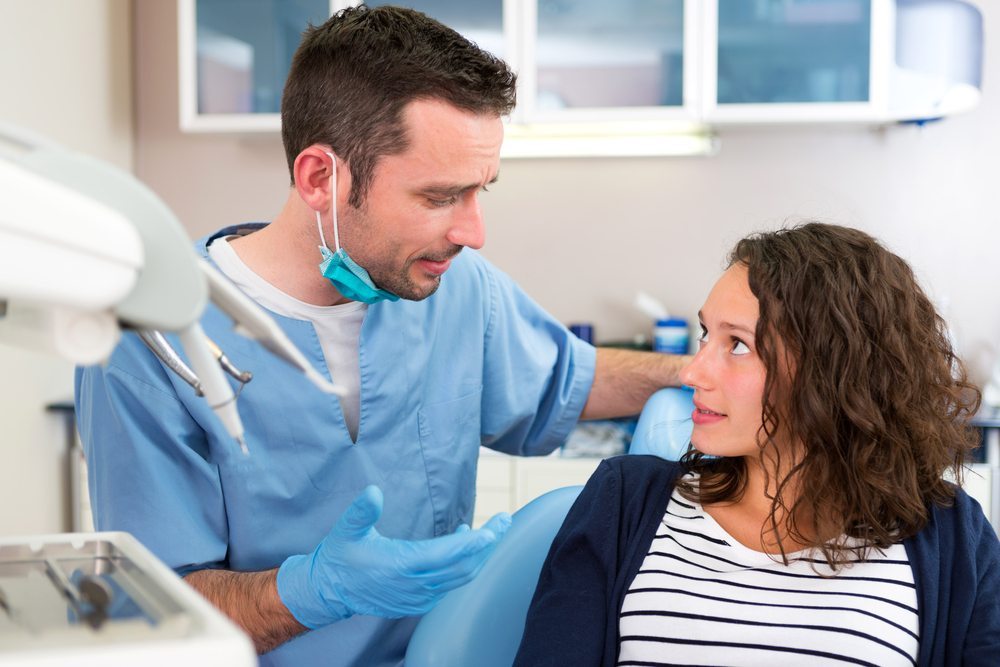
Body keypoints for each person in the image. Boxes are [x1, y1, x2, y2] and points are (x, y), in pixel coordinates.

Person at [74, 5, 687, 666]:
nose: (473, 231)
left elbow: (570, 378)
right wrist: (311, 591)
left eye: (482, 190)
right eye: (438, 196)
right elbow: (162, 611)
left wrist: (696, 374)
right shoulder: (150, 343)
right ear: (319, 178)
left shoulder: (458, 288)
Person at [514, 222, 1000, 666]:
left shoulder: (950, 535)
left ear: (833, 373)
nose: (691, 371)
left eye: (738, 345)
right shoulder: (623, 502)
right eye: (707, 335)